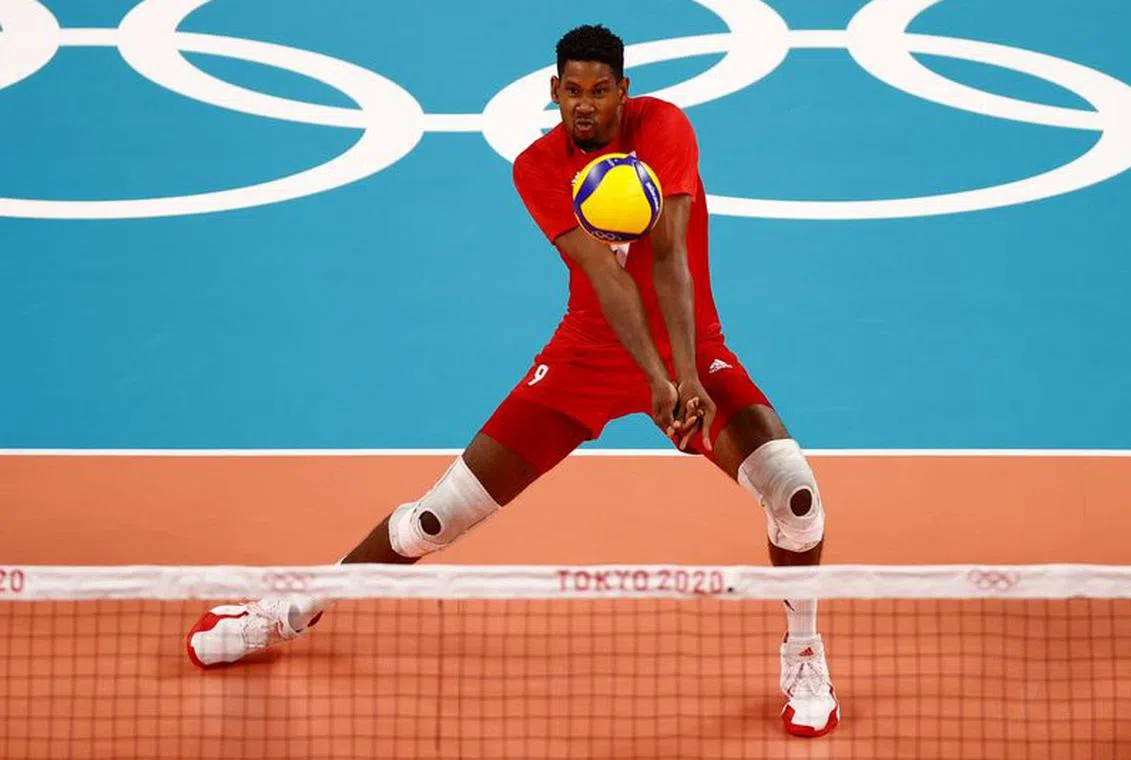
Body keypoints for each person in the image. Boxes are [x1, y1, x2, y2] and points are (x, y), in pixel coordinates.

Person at [185, 24, 839, 738]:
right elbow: (603, 276)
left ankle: (803, 652)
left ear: (624, 91)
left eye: (600, 91)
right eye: (572, 92)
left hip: (694, 346)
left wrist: (685, 377)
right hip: (587, 356)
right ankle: (289, 610)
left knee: (795, 494)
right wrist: (656, 379)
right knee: (432, 520)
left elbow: (672, 256)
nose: (584, 105)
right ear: (553, 92)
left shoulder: (664, 128)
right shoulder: (536, 166)